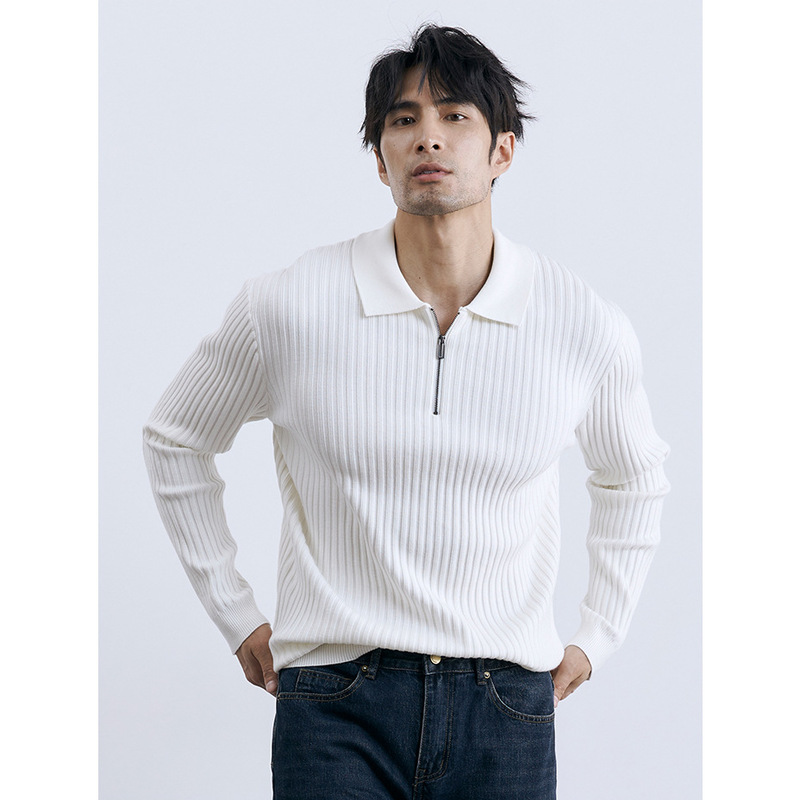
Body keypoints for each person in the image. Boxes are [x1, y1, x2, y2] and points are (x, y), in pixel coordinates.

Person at [143, 23, 669, 799]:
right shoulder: (289, 306)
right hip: (335, 698)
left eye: (456, 116)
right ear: (379, 157)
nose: (429, 137)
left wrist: (598, 634)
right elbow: (175, 438)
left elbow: (635, 477)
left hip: (505, 704)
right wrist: (234, 611)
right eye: (403, 119)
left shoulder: (582, 323)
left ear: (503, 151)